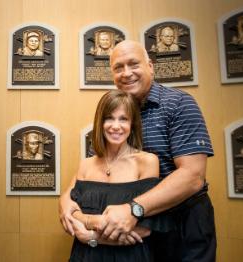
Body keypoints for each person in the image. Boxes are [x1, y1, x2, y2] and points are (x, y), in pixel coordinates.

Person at [59, 40, 216, 261]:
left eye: (133, 64)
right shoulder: (114, 115)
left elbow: (193, 176)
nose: (126, 73)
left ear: (150, 66)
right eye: (118, 67)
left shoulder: (179, 104)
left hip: (182, 224)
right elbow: (95, 170)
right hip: (135, 225)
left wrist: (133, 209)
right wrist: (66, 203)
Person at [65, 89, 175, 261]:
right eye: (109, 118)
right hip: (85, 256)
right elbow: (71, 213)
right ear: (100, 123)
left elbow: (145, 229)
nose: (116, 126)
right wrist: (97, 222)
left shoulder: (147, 162)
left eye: (123, 119)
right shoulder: (85, 164)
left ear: (132, 125)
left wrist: (92, 236)